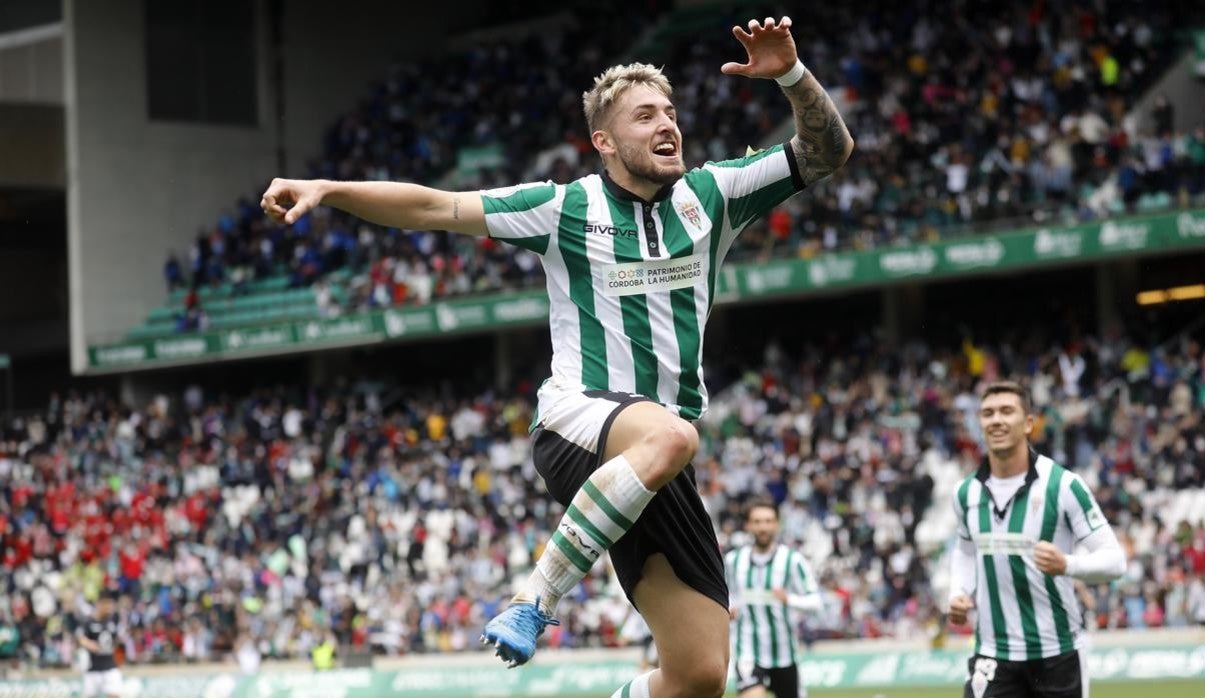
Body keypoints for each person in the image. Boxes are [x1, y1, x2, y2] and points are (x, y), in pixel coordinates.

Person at [260, 15, 851, 697]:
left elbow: (826, 152)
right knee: (672, 433)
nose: (667, 125)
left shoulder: (712, 196)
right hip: (578, 424)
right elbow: (433, 207)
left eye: (669, 113)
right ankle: (534, 602)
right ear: (603, 141)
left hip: (657, 459)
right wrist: (328, 191)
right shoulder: (564, 208)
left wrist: (791, 77)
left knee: (700, 677)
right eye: (643, 117)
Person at [947, 381, 1126, 698]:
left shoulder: (1064, 485)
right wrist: (960, 591)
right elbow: (964, 551)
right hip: (993, 654)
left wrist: (1066, 565)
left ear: (1029, 423)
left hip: (1057, 655)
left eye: (1006, 411)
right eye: (988, 413)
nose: (996, 420)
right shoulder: (966, 493)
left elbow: (1115, 561)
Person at [724, 500, 821, 698]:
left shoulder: (792, 560)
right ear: (748, 525)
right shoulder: (733, 561)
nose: (763, 527)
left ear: (777, 524)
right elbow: (727, 596)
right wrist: (729, 609)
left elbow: (815, 602)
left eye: (768, 521)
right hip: (748, 652)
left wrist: (789, 599)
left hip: (785, 654)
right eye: (757, 521)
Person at [76, 592, 124, 698]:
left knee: (115, 694)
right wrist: (90, 644)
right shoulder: (88, 622)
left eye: (111, 605)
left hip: (110, 666)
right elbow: (81, 638)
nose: (109, 608)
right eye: (107, 604)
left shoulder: (113, 620)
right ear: (99, 604)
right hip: (93, 668)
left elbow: (117, 641)